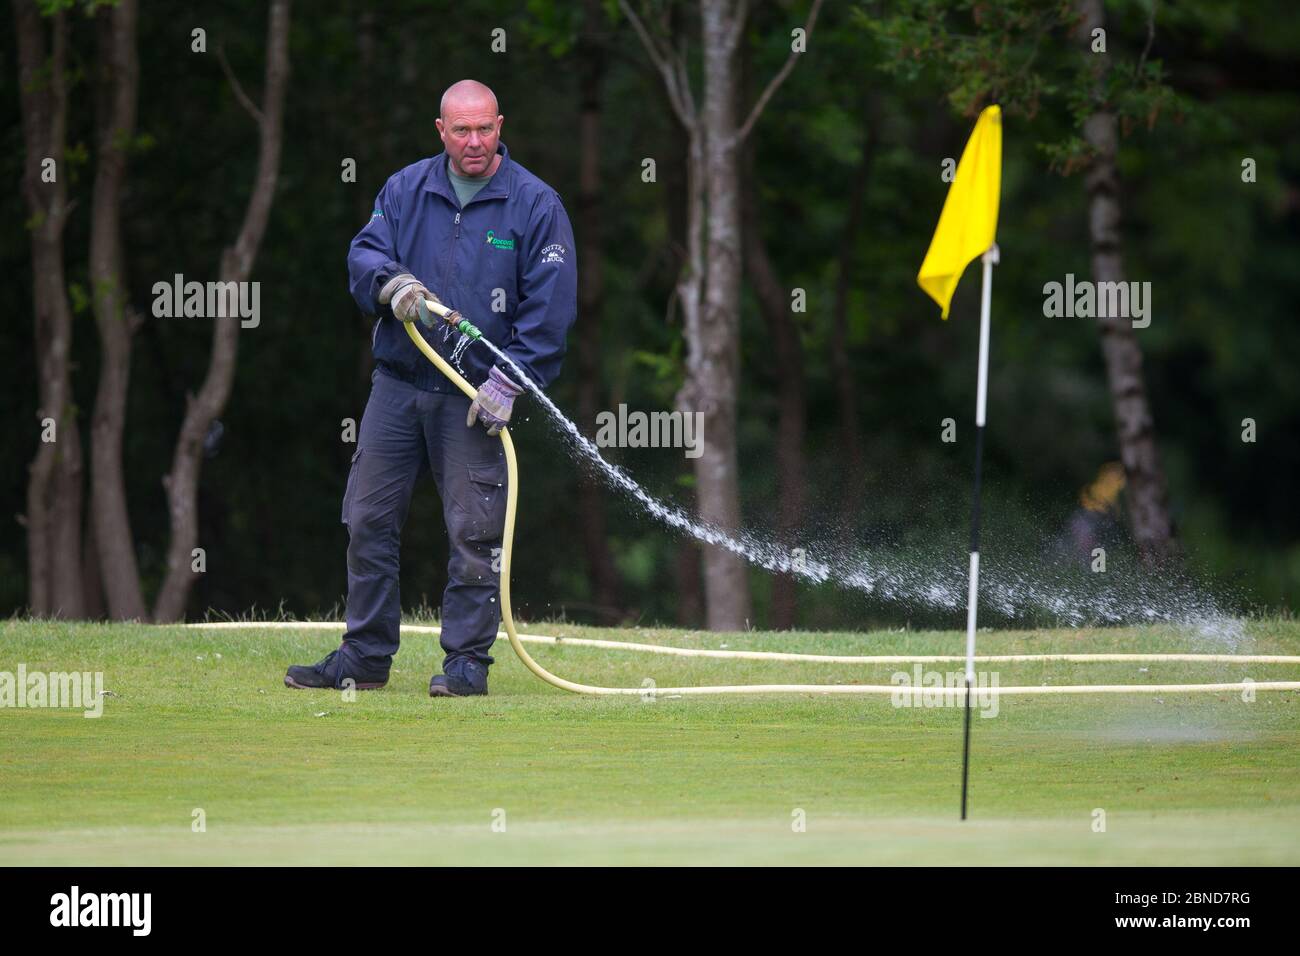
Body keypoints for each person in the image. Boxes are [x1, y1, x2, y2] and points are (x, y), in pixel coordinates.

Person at [285, 79, 577, 697]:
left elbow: (548, 316)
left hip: (474, 396)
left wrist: (508, 383)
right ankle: (363, 657)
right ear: (440, 130)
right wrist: (389, 284)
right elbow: (365, 253)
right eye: (461, 130)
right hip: (396, 385)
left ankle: (467, 664)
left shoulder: (535, 204)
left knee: (474, 532)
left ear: (501, 125)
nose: (474, 142)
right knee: (367, 520)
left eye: (485, 129)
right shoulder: (404, 189)